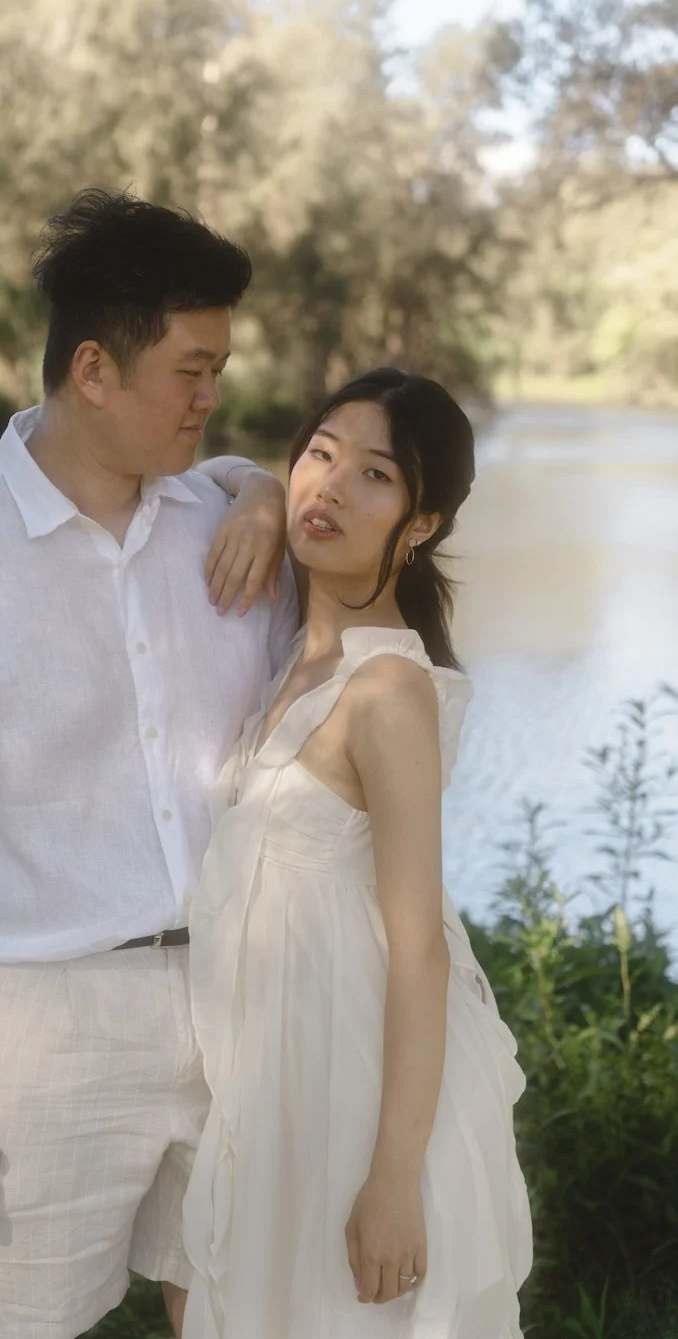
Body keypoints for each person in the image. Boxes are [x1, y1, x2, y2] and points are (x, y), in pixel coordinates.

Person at [0, 189, 300, 1339]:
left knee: (244, 1315)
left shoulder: (227, 524)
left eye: (220, 371)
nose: (212, 397)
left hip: (241, 1005)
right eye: (191, 370)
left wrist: (267, 485)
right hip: (39, 1028)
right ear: (94, 369)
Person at [181, 368, 533, 1339]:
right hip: (279, 1069)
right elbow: (204, 470)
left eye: (374, 475)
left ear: (419, 524)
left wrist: (392, 1181)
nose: (328, 488)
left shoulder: (386, 691)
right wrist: (260, 493)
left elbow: (420, 945)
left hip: (360, 1084)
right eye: (320, 454)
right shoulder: (296, 649)